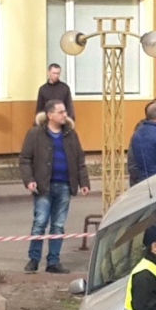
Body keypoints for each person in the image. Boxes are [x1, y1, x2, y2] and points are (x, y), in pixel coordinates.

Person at [19, 99, 90, 273]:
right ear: (50, 115)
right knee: (40, 222)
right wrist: (29, 180)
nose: (65, 115)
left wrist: (84, 182)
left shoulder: (70, 135)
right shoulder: (35, 134)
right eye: (61, 112)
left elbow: (79, 160)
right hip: (43, 186)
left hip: (64, 185)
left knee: (58, 225)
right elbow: (25, 159)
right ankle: (33, 260)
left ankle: (53, 262)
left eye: (65, 112)